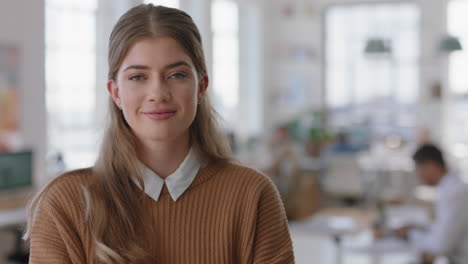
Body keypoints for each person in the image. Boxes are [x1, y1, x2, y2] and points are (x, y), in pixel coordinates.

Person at [25, 4, 294, 264]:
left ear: (201, 87)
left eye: (176, 75)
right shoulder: (65, 204)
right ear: (116, 93)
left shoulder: (252, 194)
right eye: (138, 77)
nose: (158, 93)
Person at [394, 144, 468, 264]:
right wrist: (418, 229)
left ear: (431, 165)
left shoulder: (455, 193)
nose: (418, 175)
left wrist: (409, 234)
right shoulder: (450, 188)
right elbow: (442, 230)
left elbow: (440, 245)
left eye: (419, 168)